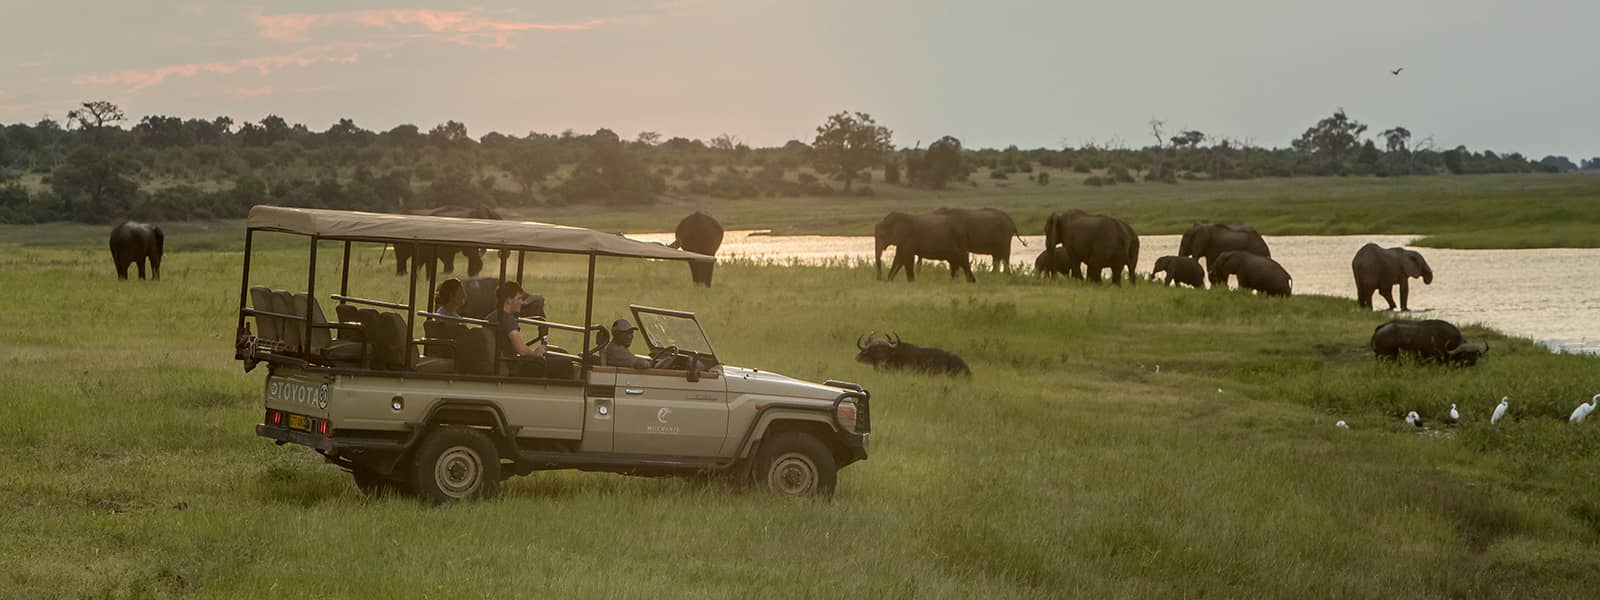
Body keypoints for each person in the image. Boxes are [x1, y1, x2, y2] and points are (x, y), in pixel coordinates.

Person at [487, 281, 548, 376]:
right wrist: (536, 353)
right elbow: (521, 350)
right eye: (519, 298)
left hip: (498, 362)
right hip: (509, 365)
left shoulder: (490, 317)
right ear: (509, 300)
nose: (522, 302)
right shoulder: (508, 320)